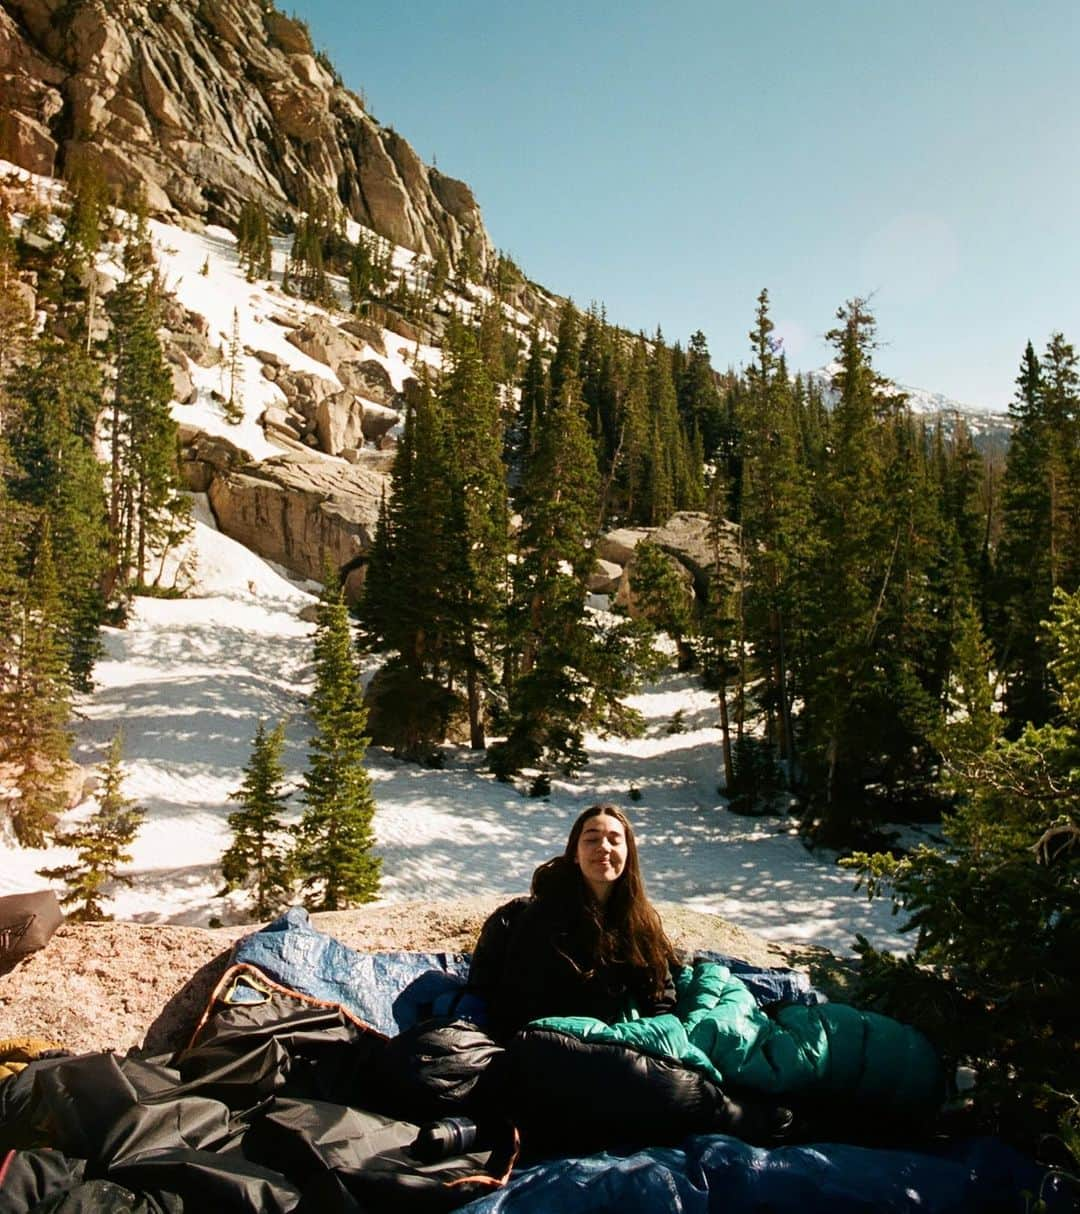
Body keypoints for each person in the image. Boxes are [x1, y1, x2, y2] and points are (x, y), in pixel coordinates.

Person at [466, 803, 680, 1040]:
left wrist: (660, 1038)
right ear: (575, 855)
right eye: (592, 839)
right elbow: (518, 1001)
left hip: (609, 1041)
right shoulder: (543, 916)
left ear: (628, 853)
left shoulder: (639, 920)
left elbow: (659, 994)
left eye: (614, 840)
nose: (603, 848)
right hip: (546, 1041)